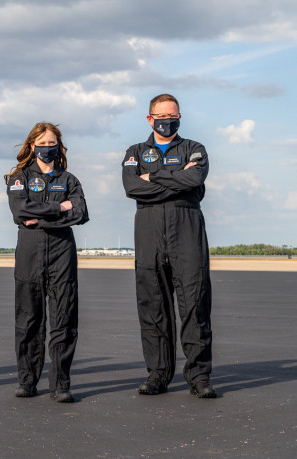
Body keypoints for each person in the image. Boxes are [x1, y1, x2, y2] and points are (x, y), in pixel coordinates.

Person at [121, 94, 215, 398]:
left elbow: (194, 180)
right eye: (161, 115)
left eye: (173, 115)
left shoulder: (194, 149)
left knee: (194, 306)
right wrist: (176, 177)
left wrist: (155, 177)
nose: (167, 120)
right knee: (153, 307)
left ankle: (199, 377)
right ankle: (158, 374)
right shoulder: (135, 152)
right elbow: (132, 186)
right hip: (148, 232)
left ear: (179, 118)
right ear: (150, 119)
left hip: (186, 230)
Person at [5, 122, 89, 403]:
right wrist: (58, 208)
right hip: (30, 251)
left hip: (62, 251)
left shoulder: (69, 180)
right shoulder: (18, 177)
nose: (46, 148)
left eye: (51, 143)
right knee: (29, 319)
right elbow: (20, 210)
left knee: (64, 318)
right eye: (41, 143)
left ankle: (61, 384)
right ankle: (27, 380)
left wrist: (40, 218)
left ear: (59, 146)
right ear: (32, 146)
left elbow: (80, 213)